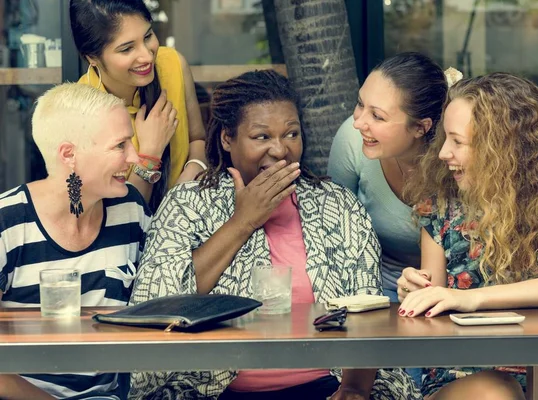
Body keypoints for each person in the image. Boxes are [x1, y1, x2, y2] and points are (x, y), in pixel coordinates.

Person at [127, 70, 421, 400]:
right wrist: (242, 222)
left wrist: (353, 389)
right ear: (227, 138)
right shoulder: (188, 204)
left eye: (291, 134)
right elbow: (159, 306)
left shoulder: (336, 204)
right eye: (262, 137)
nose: (280, 150)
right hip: (213, 390)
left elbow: (368, 311)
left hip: (329, 385)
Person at [397, 72, 538, 400]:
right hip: (458, 383)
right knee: (496, 391)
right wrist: (414, 288)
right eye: (444, 138)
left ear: (501, 146)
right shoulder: (440, 208)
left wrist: (472, 298)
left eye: (457, 141)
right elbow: (432, 293)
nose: (443, 152)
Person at [0, 83, 151, 399]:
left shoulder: (130, 209)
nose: (135, 157)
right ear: (69, 154)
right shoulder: (7, 224)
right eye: (120, 145)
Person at [327, 52, 449, 303]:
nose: (359, 122)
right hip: (369, 288)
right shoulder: (352, 140)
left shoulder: (452, 160)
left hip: (446, 293)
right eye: (360, 104)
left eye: (378, 116)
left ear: (420, 127)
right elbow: (333, 229)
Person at [70, 0, 207, 212]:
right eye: (126, 49)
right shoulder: (79, 110)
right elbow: (118, 215)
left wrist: (187, 182)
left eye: (148, 36)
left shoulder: (172, 64)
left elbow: (197, 139)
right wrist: (151, 152)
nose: (147, 56)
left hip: (186, 216)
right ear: (92, 58)